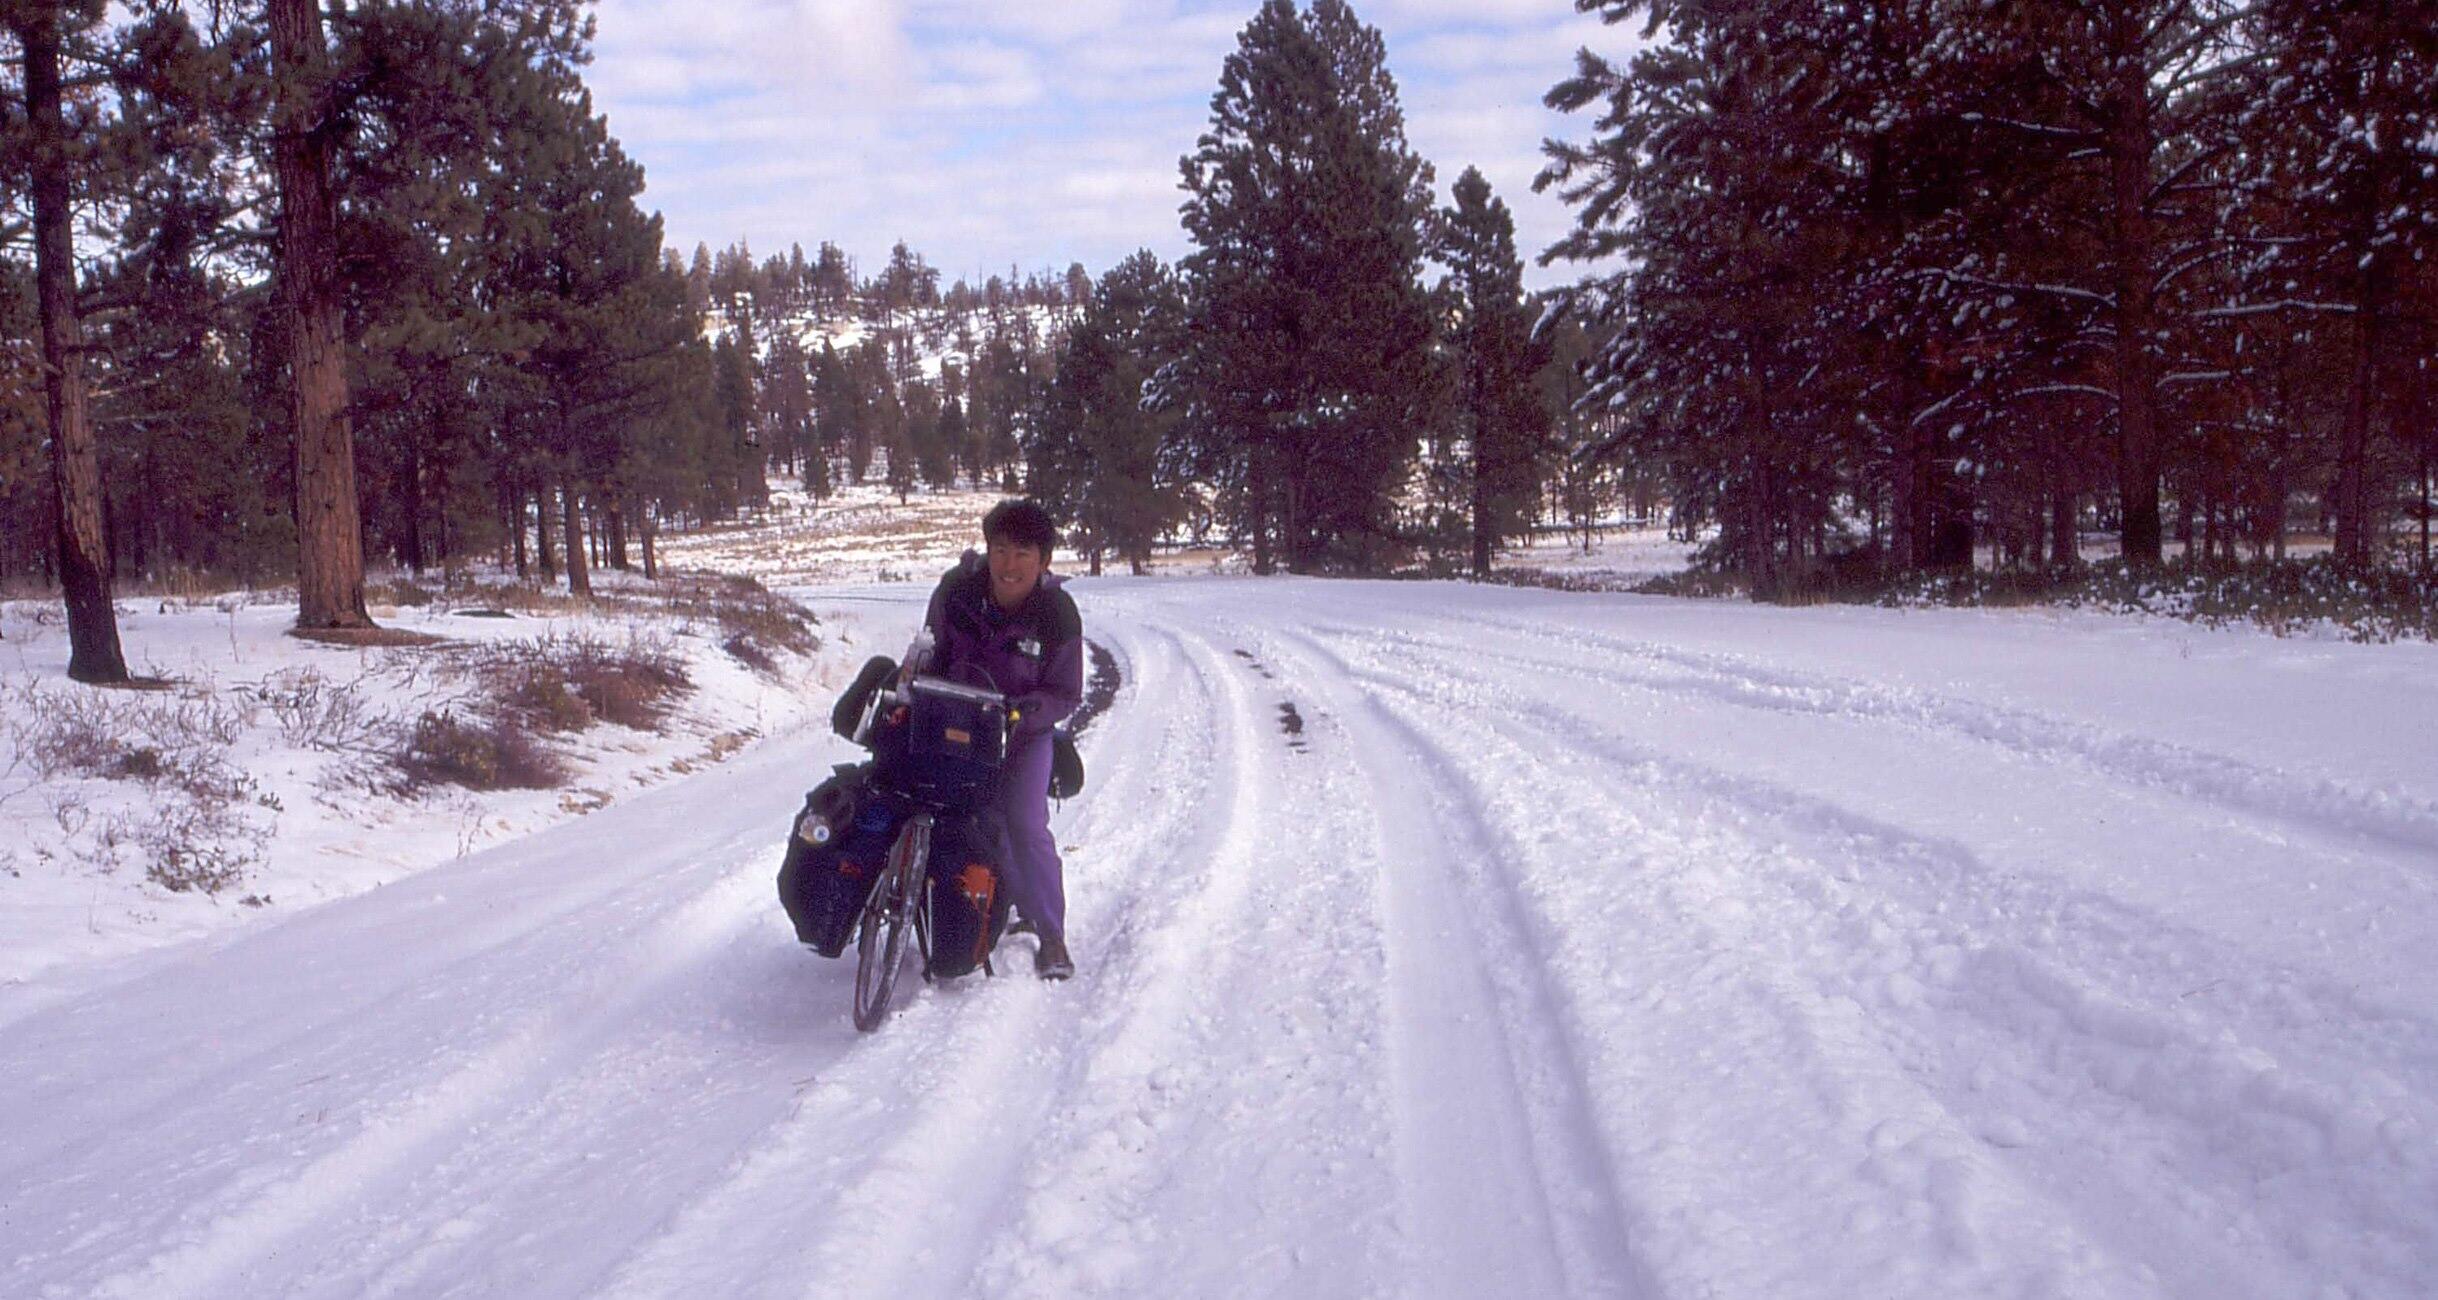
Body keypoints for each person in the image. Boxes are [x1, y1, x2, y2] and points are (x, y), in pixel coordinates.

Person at [921, 499, 1083, 979]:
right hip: (955, 719)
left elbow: (1065, 692)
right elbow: (931, 647)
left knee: (1025, 822)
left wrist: (1025, 713)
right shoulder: (957, 591)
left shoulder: (1056, 612)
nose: (1009, 566)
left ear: (1044, 561)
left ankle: (1050, 933)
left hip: (1022, 732)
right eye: (1001, 550)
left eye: (1023, 554)